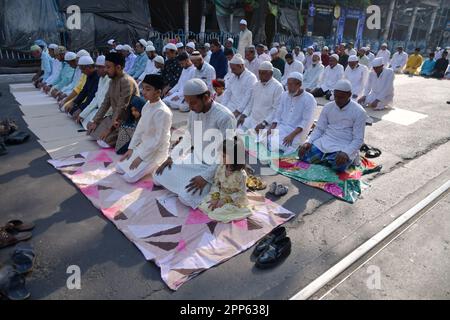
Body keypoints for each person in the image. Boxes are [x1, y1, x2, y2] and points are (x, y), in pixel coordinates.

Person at [154, 79, 236, 209]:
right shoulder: (194, 113)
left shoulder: (225, 117)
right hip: (195, 160)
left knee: (185, 198)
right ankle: (184, 184)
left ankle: (201, 187)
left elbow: (228, 153)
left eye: (193, 103)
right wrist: (172, 157)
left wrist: (205, 177)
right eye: (188, 103)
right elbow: (188, 138)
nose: (190, 107)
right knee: (158, 176)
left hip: (216, 168)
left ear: (206, 97)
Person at [299, 79, 367, 172]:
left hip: (344, 145)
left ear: (349, 95)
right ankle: (325, 160)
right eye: (336, 96)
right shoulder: (328, 107)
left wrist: (346, 153)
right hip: (325, 142)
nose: (338, 100)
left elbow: (358, 139)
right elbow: (319, 129)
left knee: (338, 165)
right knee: (303, 154)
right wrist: (308, 142)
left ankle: (327, 160)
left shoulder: (359, 112)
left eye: (341, 97)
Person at [117, 75, 172, 183]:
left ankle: (156, 164)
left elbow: (159, 140)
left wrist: (141, 157)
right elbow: (140, 129)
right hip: (144, 146)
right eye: (143, 88)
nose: (143, 92)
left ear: (158, 92)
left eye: (148, 89)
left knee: (129, 178)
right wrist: (131, 148)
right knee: (119, 168)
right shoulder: (147, 105)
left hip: (156, 152)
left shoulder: (162, 112)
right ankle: (141, 162)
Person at [87, 52, 139, 148]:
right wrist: (96, 121)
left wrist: (109, 128)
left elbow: (122, 107)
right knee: (91, 128)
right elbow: (106, 103)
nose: (105, 70)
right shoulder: (112, 81)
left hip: (126, 120)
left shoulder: (126, 82)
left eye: (108, 67)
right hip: (115, 118)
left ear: (118, 67)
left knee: (104, 142)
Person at [198, 138, 252, 223]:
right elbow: (216, 184)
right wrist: (215, 198)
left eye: (223, 156)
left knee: (218, 213)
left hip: (233, 200)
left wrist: (224, 201)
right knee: (205, 206)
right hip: (220, 194)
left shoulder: (241, 174)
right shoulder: (221, 167)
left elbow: (241, 193)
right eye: (221, 155)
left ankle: (230, 211)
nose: (220, 158)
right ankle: (217, 208)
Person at [265, 72, 316, 154]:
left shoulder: (309, 99)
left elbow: (306, 121)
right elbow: (278, 114)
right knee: (265, 138)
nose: (288, 87)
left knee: (284, 145)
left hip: (297, 131)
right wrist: (271, 128)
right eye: (287, 84)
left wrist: (292, 135)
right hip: (283, 127)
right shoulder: (284, 95)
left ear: (299, 85)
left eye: (291, 85)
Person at [237, 61, 283, 133]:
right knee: (237, 131)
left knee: (255, 141)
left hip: (266, 123)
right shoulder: (256, 85)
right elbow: (251, 103)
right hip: (252, 119)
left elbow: (276, 110)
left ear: (270, 73)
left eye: (263, 73)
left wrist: (264, 123)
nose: (261, 75)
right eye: (260, 73)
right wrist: (244, 115)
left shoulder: (278, 87)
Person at [78, 55, 111, 129]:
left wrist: (95, 120)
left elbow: (107, 104)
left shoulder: (110, 80)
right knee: (83, 119)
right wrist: (83, 114)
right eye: (96, 66)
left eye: (99, 67)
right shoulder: (101, 78)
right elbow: (96, 98)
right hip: (99, 110)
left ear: (106, 67)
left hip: (107, 113)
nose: (96, 69)